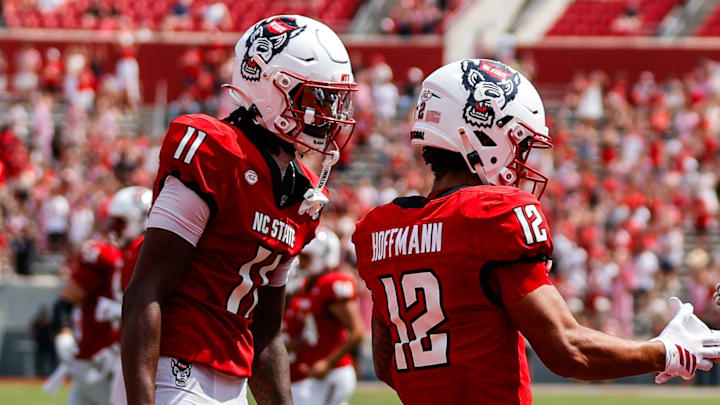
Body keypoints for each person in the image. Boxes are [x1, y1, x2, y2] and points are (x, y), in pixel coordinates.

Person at [351, 59, 720, 405]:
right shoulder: (491, 215)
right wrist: (666, 351)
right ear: (480, 133)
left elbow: (388, 365)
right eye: (518, 143)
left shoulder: (379, 228)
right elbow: (568, 350)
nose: (522, 159)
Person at [121, 15, 356, 405]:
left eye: (331, 100)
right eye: (315, 98)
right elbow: (145, 292)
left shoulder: (303, 193)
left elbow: (266, 334)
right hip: (177, 371)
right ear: (268, 86)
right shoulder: (215, 151)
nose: (326, 115)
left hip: (234, 383)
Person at [50, 186, 151, 405]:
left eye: (119, 223)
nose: (113, 230)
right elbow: (63, 304)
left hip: (120, 361)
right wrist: (64, 334)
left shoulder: (150, 257)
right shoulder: (106, 257)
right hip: (99, 361)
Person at [283, 229, 365, 405]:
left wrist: (327, 363)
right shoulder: (307, 286)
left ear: (324, 255)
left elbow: (357, 332)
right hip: (316, 372)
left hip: (333, 371)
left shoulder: (331, 284)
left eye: (306, 257)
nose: (302, 262)